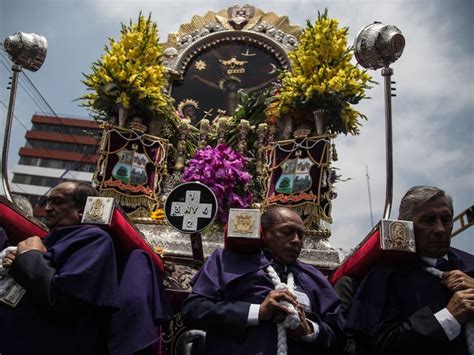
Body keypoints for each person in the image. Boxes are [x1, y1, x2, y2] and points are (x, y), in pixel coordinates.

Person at [181, 206, 344, 354]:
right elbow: (194, 310)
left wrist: (308, 329)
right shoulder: (226, 261)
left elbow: (339, 336)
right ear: (264, 233)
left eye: (301, 235)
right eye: (287, 232)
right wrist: (257, 312)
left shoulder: (313, 277)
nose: (296, 240)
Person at [345, 185, 474, 355]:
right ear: (406, 226)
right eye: (428, 220)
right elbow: (381, 345)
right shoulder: (386, 276)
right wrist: (448, 318)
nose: (440, 229)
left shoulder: (470, 265)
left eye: (446, 219)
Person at [0, 181, 120, 355]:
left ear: (82, 210)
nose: (47, 208)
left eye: (58, 202)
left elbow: (64, 297)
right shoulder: (48, 239)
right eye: (47, 202)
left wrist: (29, 257)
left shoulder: (95, 239)